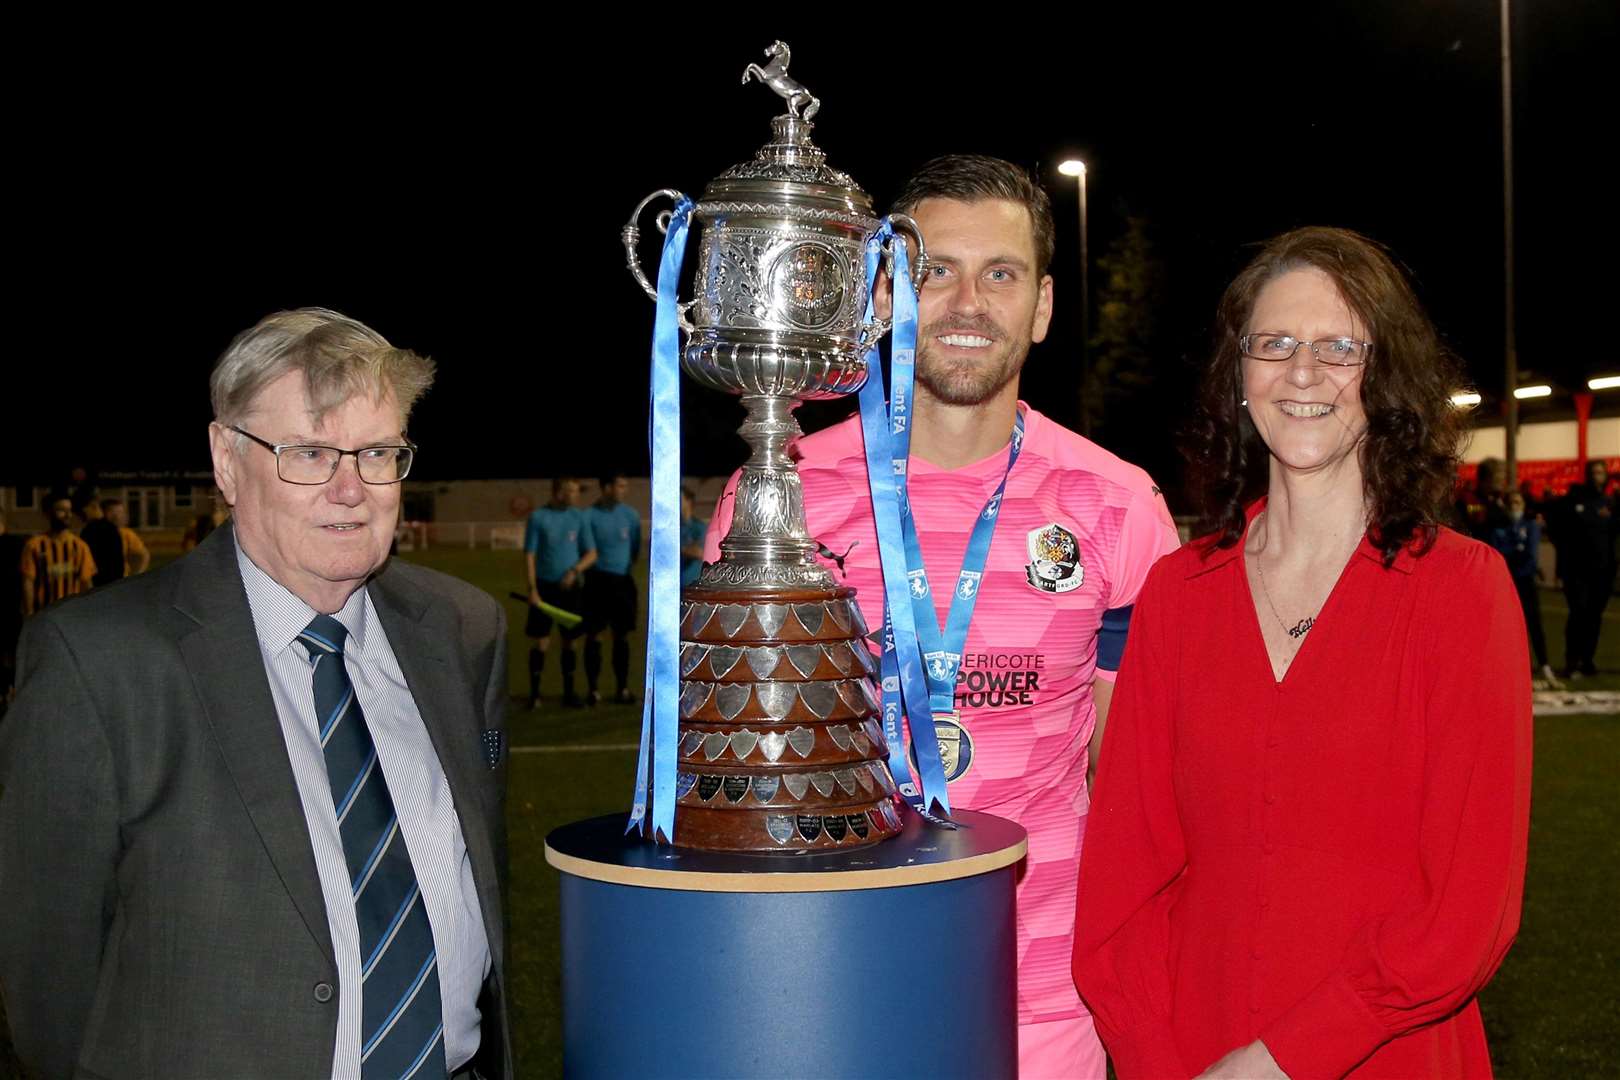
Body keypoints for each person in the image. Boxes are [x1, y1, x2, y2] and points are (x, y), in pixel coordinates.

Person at [705, 155, 1180, 1079]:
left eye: (999, 274)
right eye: (934, 270)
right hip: (831, 979)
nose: (967, 303)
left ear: (1041, 307)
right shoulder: (782, 493)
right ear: (883, 292)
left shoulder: (1117, 505)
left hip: (1044, 997)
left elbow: (1133, 781)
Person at [0, 308, 512, 1079]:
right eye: (309, 453)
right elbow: (48, 984)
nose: (351, 489)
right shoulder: (97, 662)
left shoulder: (463, 631)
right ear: (227, 459)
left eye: (376, 452)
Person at [1072, 227, 1532, 1079]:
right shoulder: (1179, 593)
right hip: (1188, 1053)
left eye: (1339, 347)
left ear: (1384, 373)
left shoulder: (1463, 592)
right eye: (1274, 344)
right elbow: (1123, 879)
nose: (1303, 372)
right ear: (1240, 376)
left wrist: (1279, 1061)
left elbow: (1467, 912)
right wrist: (1152, 1057)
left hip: (1390, 1054)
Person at [524, 476, 594, 709]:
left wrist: (574, 571)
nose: (575, 495)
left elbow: (591, 553)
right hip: (544, 588)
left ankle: (569, 693)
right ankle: (535, 695)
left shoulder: (579, 517)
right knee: (541, 642)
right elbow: (530, 555)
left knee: (570, 642)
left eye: (576, 490)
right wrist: (533, 589)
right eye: (571, 490)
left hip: (570, 589)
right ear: (558, 491)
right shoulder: (538, 518)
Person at [1551, 458, 1617, 678]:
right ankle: (1572, 660)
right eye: (1594, 472)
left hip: (1603, 570)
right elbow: (1560, 533)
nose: (1598, 476)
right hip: (1577, 570)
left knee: (1594, 616)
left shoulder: (1610, 503)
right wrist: (1562, 567)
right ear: (1588, 475)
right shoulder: (1573, 500)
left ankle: (1588, 660)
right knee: (1578, 613)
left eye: (1601, 472)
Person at [1488, 490, 1559, 685]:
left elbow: (1530, 555)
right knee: (1504, 626)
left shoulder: (1531, 526)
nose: (1514, 506)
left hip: (1525, 580)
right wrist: (1517, 548)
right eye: (1511, 502)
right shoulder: (1500, 527)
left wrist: (1514, 552)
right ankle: (1505, 669)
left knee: (1534, 624)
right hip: (1507, 581)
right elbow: (1498, 553)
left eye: (1518, 501)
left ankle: (1544, 665)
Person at [582, 473, 641, 705]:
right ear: (606, 487)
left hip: (622, 581)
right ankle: (593, 690)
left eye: (626, 485)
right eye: (620, 485)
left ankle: (622, 688)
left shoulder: (631, 515)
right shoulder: (589, 515)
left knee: (622, 636)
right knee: (594, 635)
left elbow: (634, 549)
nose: (623, 489)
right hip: (596, 582)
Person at [18, 493, 96, 616]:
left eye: (69, 510)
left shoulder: (80, 546)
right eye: (61, 510)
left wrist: (89, 612)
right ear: (48, 513)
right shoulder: (34, 545)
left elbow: (86, 582)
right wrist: (29, 613)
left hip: (71, 614)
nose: (68, 515)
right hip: (43, 615)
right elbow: (28, 582)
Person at [77, 494, 125, 588]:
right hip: (113, 584)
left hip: (99, 585)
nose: (80, 516)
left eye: (81, 511)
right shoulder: (111, 528)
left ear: (92, 507)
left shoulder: (92, 529)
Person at [106, 497, 151, 576]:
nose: (122, 516)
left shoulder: (126, 534)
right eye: (118, 512)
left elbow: (144, 554)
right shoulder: (97, 533)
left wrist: (138, 574)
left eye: (122, 512)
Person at [679, 484, 706, 588]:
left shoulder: (699, 527)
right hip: (673, 588)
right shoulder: (671, 529)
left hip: (694, 585)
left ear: (688, 501)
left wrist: (678, 549)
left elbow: (699, 552)